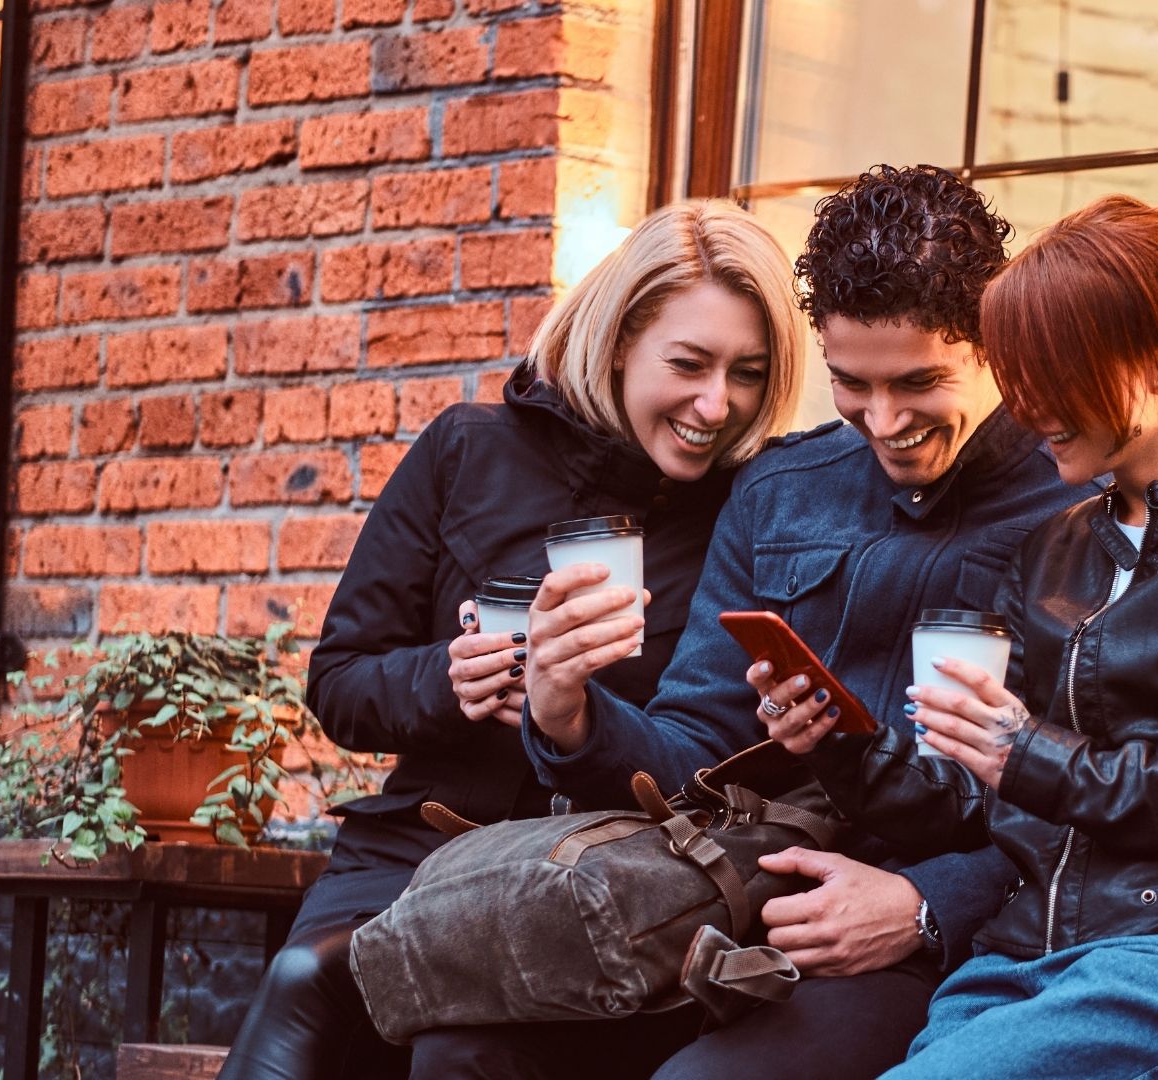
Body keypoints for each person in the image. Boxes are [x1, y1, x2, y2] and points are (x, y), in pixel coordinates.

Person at [406, 164, 1095, 1079]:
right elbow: (697, 742)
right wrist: (567, 712)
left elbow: (1101, 792)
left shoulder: (1081, 504)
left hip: (933, 944)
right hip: (732, 902)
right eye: (852, 385)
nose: (884, 423)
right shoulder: (779, 492)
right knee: (466, 1052)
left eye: (919, 383)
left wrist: (924, 904)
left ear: (994, 345)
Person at [764, 195, 1158, 1079]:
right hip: (1025, 961)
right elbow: (982, 799)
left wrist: (1029, 753)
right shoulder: (1055, 549)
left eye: (1050, 375)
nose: (1027, 408)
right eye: (1017, 374)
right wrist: (841, 744)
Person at [218, 200, 805, 1080]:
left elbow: (710, 748)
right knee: (315, 981)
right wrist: (446, 682)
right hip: (416, 847)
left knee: (460, 1047)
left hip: (605, 878)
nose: (716, 403)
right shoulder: (468, 451)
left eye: (748, 373)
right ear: (617, 342)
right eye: (688, 363)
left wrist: (572, 712)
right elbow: (338, 681)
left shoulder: (748, 510)